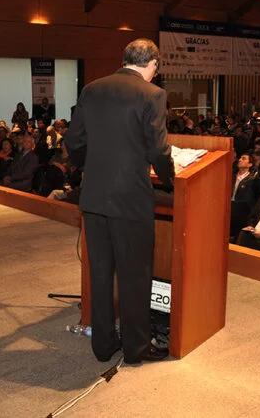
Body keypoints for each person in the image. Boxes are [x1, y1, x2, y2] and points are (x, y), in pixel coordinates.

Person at [66, 38, 174, 365]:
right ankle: (136, 348)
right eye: (157, 67)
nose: (156, 73)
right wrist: (171, 180)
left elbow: (74, 141)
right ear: (152, 63)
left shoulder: (92, 89)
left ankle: (102, 345)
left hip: (95, 197)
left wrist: (93, 166)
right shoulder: (152, 95)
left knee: (100, 273)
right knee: (134, 275)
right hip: (130, 199)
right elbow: (157, 149)